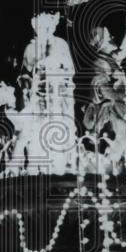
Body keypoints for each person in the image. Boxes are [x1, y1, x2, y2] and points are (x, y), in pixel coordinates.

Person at [18, 11, 77, 174]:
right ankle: (38, 168)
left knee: (62, 126)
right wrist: (26, 85)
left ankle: (62, 167)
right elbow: (24, 73)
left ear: (53, 25)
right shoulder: (31, 47)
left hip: (60, 92)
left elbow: (70, 70)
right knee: (39, 125)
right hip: (40, 92)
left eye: (47, 26)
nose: (43, 29)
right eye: (40, 27)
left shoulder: (61, 44)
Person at [83, 12, 126, 173]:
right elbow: (102, 87)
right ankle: (107, 166)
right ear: (101, 43)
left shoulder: (110, 59)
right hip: (107, 110)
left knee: (122, 136)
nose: (113, 37)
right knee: (122, 134)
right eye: (109, 37)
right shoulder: (100, 62)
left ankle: (111, 165)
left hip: (115, 107)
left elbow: (123, 51)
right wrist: (124, 98)